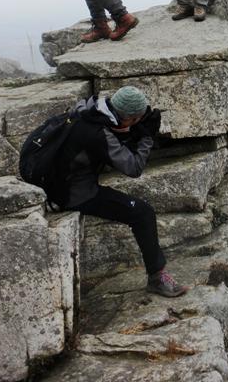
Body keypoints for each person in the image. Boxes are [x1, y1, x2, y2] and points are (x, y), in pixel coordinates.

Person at [60, 85, 187, 298]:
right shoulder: (98, 134)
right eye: (136, 120)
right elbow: (133, 168)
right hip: (74, 193)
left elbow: (112, 138)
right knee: (143, 213)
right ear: (129, 118)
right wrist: (147, 137)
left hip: (63, 180)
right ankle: (157, 278)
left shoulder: (90, 110)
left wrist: (133, 129)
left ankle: (157, 276)